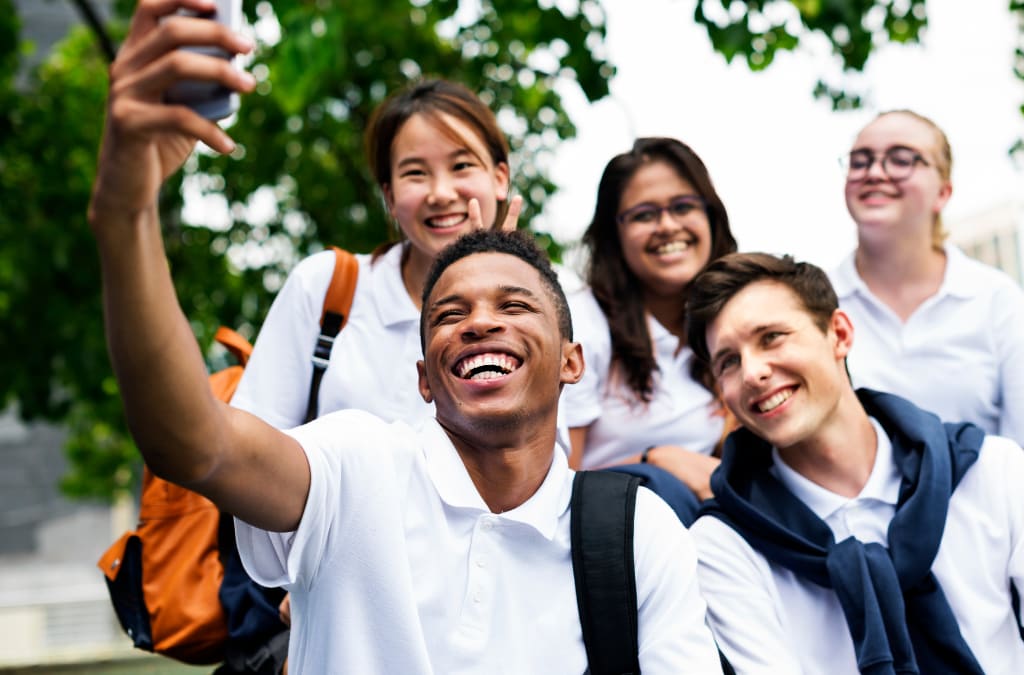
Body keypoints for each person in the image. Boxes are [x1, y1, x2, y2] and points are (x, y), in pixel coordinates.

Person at [87, 3, 722, 672]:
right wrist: (126, 212)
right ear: (422, 377)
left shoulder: (635, 537)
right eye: (449, 313)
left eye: (514, 305)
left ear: (573, 361)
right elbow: (202, 444)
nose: (481, 321)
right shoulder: (357, 469)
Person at [682, 251, 1024, 674]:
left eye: (771, 337)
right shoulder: (725, 546)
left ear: (839, 334)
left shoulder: (987, 469)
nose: (753, 372)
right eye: (728, 362)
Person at [217, 74, 527, 673]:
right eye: (414, 173)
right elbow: (245, 452)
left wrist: (503, 287)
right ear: (389, 194)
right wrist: (308, 576)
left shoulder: (541, 315)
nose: (440, 192)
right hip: (313, 605)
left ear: (499, 177)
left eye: (461, 165)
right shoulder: (327, 290)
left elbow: (543, 477)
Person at [831, 110, 1024, 556]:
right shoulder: (818, 304)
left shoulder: (994, 299)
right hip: (860, 560)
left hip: (991, 558)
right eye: (860, 160)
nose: (875, 172)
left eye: (901, 158)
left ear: (943, 191)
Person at [565, 137, 738, 520]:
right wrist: (656, 461)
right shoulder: (581, 326)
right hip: (604, 531)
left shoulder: (731, 323)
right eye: (644, 215)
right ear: (614, 235)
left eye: (683, 206)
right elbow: (552, 487)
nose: (668, 226)